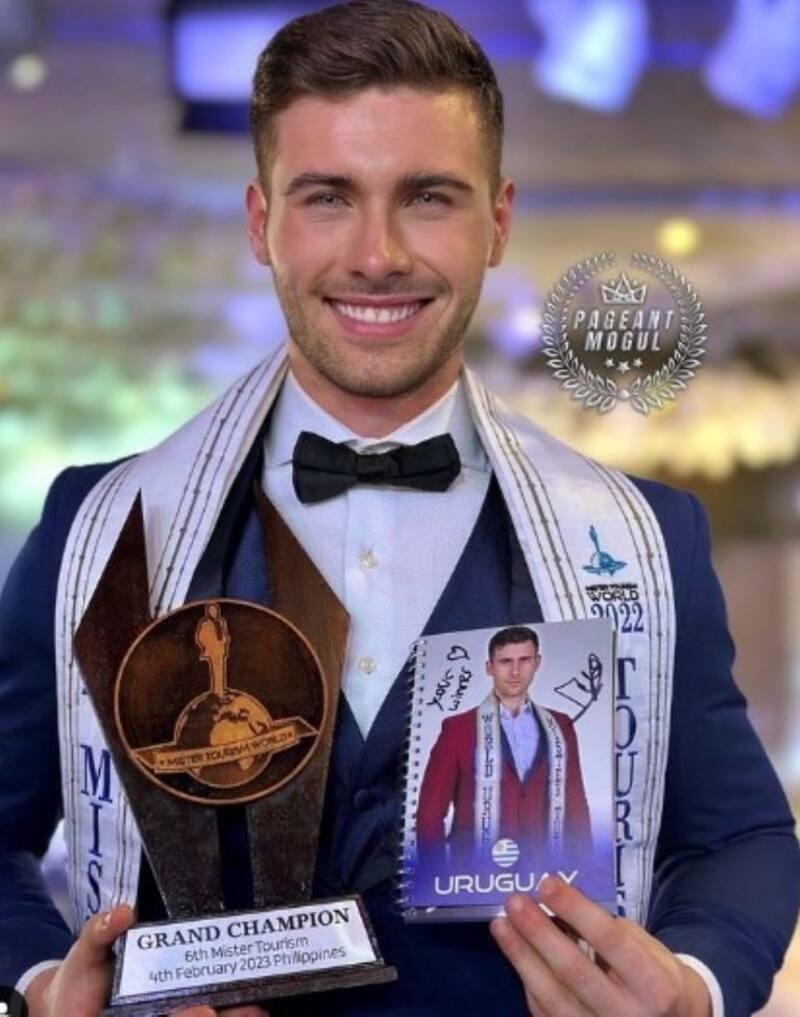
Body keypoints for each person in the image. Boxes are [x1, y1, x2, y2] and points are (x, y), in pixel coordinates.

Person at [0, 2, 797, 1016]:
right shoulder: (103, 530)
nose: (376, 254)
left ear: (497, 222)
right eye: (328, 197)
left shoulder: (641, 538)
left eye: (426, 197)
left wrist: (690, 989)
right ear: (261, 223)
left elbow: (736, 837)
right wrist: (39, 987)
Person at [416, 625, 592, 871]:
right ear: (489, 667)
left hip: (544, 872)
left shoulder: (561, 725)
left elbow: (576, 807)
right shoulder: (457, 729)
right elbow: (429, 815)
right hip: (473, 872)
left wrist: (585, 872)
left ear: (537, 663)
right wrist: (434, 877)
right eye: (505, 661)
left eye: (524, 660)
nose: (515, 671)